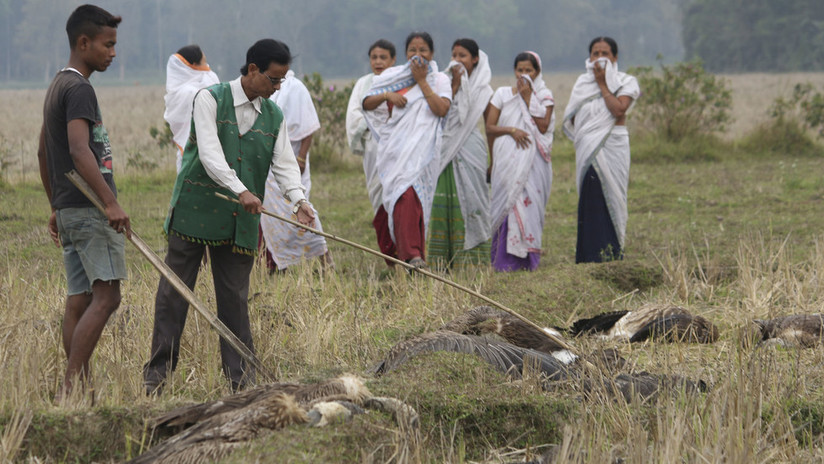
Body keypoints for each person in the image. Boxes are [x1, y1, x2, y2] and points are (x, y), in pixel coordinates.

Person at [143, 39, 315, 394]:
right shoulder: (209, 98)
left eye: (282, 81)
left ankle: (242, 382)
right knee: (174, 295)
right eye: (273, 79)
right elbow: (209, 154)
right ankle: (156, 380)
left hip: (241, 220)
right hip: (196, 210)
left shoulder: (274, 115)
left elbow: (284, 164)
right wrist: (241, 191)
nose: (277, 87)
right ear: (252, 69)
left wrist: (299, 200)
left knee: (235, 300)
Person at [37, 4, 128, 402]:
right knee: (107, 296)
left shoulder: (57, 84)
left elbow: (43, 151)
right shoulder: (79, 89)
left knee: (80, 298)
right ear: (83, 42)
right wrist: (109, 202)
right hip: (90, 210)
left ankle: (81, 391)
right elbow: (78, 149)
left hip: (70, 208)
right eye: (107, 45)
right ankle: (71, 387)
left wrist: (56, 204)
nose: (112, 53)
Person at [362, 32, 451, 270]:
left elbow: (442, 109)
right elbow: (366, 103)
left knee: (413, 200)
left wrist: (421, 81)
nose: (417, 55)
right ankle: (407, 257)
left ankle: (413, 255)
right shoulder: (393, 75)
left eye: (423, 50)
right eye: (412, 50)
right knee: (400, 198)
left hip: (423, 153)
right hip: (395, 151)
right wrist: (387, 95)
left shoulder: (440, 80)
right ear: (405, 53)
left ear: (431, 54)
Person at [563, 37, 640, 263]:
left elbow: (618, 110)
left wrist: (603, 85)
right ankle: (589, 255)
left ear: (615, 58)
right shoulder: (581, 84)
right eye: (595, 53)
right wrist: (589, 133)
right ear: (589, 58)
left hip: (613, 145)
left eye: (605, 53)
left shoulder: (627, 82)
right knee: (591, 195)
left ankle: (612, 252)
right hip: (588, 148)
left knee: (614, 197)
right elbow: (574, 119)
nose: (599, 58)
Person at [486, 51, 555, 272]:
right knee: (506, 204)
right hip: (507, 160)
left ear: (537, 72)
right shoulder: (503, 94)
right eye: (520, 70)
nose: (524, 74)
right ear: (514, 71)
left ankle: (527, 261)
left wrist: (528, 98)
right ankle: (503, 262)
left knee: (529, 208)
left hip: (533, 164)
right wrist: (512, 130)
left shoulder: (544, 96)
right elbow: (490, 127)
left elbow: (543, 126)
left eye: (529, 70)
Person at [259, 62, 332, 271]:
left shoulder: (294, 86)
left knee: (300, 208)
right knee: (268, 215)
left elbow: (308, 125)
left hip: (291, 161)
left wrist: (301, 158)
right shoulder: (263, 86)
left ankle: (324, 258)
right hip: (267, 165)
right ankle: (271, 264)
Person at [428, 38, 493, 269]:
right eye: (454, 55)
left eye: (462, 56)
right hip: (445, 146)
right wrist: (453, 84)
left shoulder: (484, 90)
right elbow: (440, 113)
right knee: (439, 198)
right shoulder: (443, 82)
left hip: (471, 147)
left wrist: (493, 160)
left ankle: (471, 261)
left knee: (474, 197)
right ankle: (440, 260)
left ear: (475, 59)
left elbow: (488, 126)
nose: (457, 60)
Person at [346, 39, 396, 223]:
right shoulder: (363, 83)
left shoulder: (400, 80)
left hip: (398, 144)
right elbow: (353, 113)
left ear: (393, 59)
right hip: (373, 145)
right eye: (374, 57)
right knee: (377, 190)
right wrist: (372, 127)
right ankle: (386, 238)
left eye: (383, 57)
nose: (378, 62)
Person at [163, 44, 220, 172]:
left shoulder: (189, 87)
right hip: (192, 153)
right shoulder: (187, 92)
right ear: (194, 65)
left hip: (212, 152)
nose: (207, 67)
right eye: (204, 62)